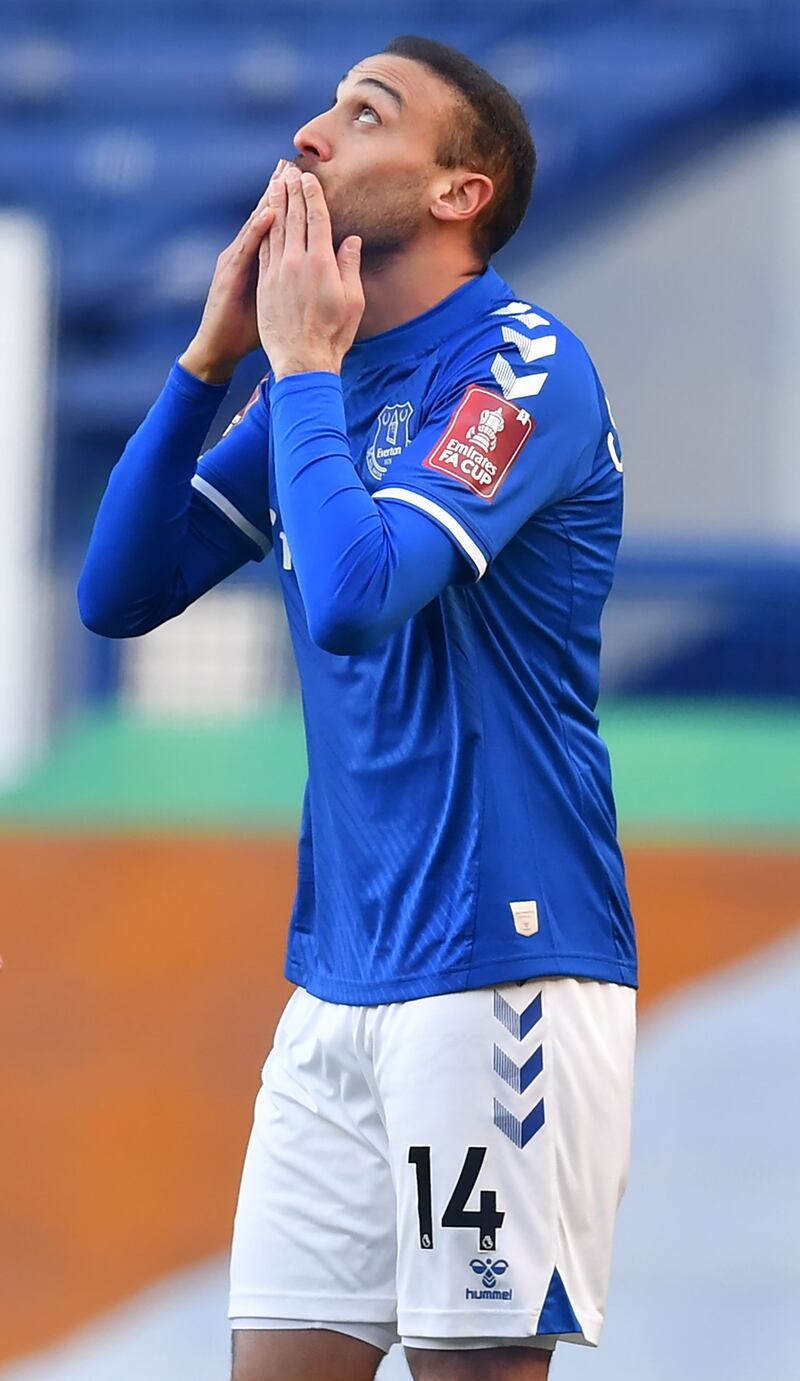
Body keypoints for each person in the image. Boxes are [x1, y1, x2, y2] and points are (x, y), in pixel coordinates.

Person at [78, 34, 637, 1381]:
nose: (315, 133)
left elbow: (356, 592)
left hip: (497, 974)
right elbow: (120, 588)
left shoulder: (522, 368)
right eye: (326, 104)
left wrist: (306, 375)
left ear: (460, 191)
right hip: (335, 987)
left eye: (367, 114)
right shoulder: (308, 382)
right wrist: (215, 358)